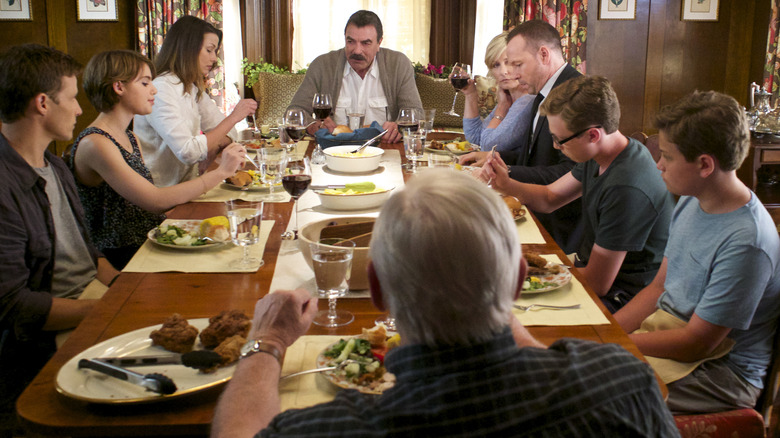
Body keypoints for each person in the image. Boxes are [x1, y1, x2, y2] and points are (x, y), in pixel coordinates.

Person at [211, 169, 679, 437]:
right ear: (517, 281)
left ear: (377, 290)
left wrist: (269, 340)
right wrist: (492, 304)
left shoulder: (327, 429)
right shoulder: (623, 383)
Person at [614, 91, 780, 414]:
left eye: (667, 156)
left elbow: (696, 343)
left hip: (722, 373)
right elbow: (659, 287)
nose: (658, 164)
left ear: (705, 164)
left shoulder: (747, 241)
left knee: (591, 387)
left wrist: (614, 343)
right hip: (674, 333)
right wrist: (608, 331)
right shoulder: (693, 198)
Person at [0, 44, 120, 435]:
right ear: (42, 104)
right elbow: (15, 307)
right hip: (42, 339)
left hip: (90, 300)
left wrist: (127, 290)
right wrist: (105, 312)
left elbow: (88, 252)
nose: (80, 109)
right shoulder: (4, 186)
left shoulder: (54, 164)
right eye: (71, 98)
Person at [483, 76, 674, 313]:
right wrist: (506, 183)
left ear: (593, 135)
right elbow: (550, 198)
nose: (555, 147)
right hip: (589, 270)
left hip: (622, 296)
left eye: (559, 140)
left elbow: (598, 283)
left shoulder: (626, 186)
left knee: (503, 304)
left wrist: (533, 272)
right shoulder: (601, 154)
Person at [69, 50, 247, 269]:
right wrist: (220, 173)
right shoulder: (96, 143)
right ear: (119, 87)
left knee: (236, 243)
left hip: (149, 239)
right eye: (145, 83)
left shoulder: (129, 136)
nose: (154, 90)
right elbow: (155, 200)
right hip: (124, 254)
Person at [460, 20, 582, 254]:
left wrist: (506, 172)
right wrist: (495, 157)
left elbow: (571, 172)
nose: (512, 74)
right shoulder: (543, 91)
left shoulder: (574, 94)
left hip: (559, 227)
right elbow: (534, 156)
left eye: (518, 64)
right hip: (535, 207)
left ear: (544, 55)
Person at [134, 15, 257, 187]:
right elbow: (189, 152)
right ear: (188, 49)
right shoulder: (161, 89)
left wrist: (210, 150)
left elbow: (231, 133)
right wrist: (234, 117)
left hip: (189, 186)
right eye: (209, 50)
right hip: (162, 195)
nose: (214, 58)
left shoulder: (190, 87)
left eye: (215, 51)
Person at [287, 10, 423, 144]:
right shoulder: (322, 65)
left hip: (384, 150)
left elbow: (416, 114)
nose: (357, 51)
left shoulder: (398, 64)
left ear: (379, 43)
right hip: (333, 151)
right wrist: (312, 124)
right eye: (351, 41)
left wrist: (399, 126)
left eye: (366, 43)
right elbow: (294, 113)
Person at [461, 31, 535, 153]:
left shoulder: (526, 102)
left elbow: (487, 146)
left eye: (508, 62)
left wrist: (501, 109)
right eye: (496, 65)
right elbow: (475, 138)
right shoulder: (509, 98)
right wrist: (470, 94)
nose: (503, 71)